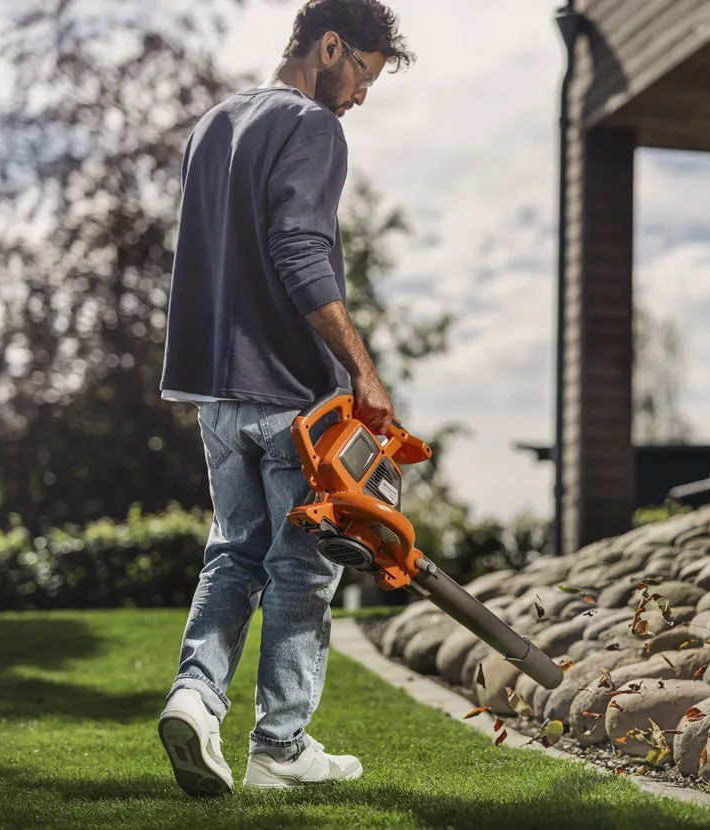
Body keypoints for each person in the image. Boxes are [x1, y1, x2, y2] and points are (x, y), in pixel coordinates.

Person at [154, 0, 413, 796]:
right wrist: (361, 369)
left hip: (216, 392)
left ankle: (196, 700)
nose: (360, 95)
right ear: (328, 46)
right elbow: (300, 251)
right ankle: (279, 748)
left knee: (233, 553)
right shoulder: (311, 126)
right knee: (301, 568)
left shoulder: (214, 126)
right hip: (292, 395)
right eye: (362, 74)